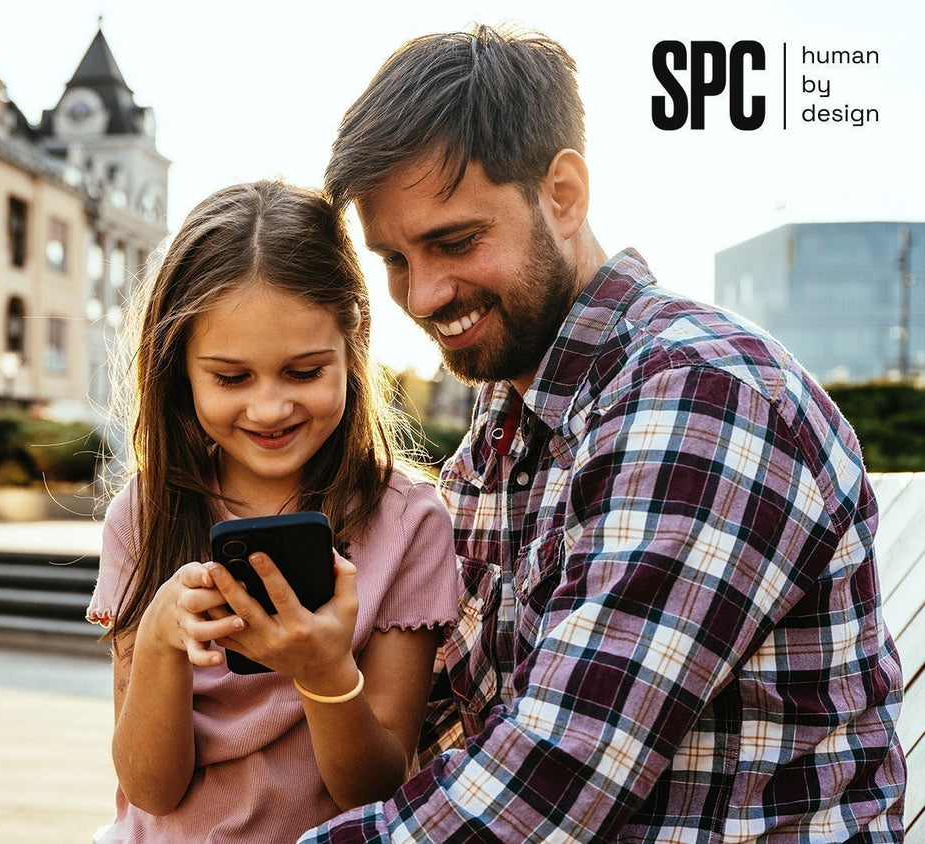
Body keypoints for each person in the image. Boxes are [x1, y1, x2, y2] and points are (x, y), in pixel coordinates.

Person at [303, 25, 906, 842]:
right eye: (395, 260)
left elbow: (555, 775)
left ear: (563, 194)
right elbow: (452, 725)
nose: (425, 293)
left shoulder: (700, 396)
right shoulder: (504, 420)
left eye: (454, 242)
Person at [85, 180, 458, 843]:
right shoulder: (143, 516)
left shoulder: (408, 524)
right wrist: (164, 642)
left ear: (354, 345)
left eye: (304, 371)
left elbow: (376, 787)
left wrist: (323, 672)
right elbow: (150, 787)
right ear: (181, 369)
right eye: (231, 378)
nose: (268, 409)